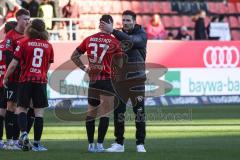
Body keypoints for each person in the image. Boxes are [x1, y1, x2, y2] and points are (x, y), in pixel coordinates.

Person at [71, 14, 122, 152]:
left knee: (91, 113)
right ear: (110, 23)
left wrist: (84, 68)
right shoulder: (114, 42)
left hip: (93, 80)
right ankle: (100, 144)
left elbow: (74, 56)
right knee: (105, 114)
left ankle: (90, 145)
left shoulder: (89, 39)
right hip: (107, 80)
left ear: (100, 24)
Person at [3, 19, 54, 151]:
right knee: (39, 113)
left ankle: (23, 134)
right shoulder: (48, 46)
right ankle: (37, 144)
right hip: (41, 81)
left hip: (25, 80)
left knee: (21, 109)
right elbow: (48, 65)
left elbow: (14, 64)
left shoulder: (23, 43)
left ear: (30, 29)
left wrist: (6, 77)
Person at [100, 10, 147, 152]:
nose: (125, 23)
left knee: (139, 111)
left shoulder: (141, 35)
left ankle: (140, 143)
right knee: (119, 112)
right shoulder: (118, 35)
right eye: (124, 20)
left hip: (136, 79)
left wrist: (113, 30)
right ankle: (119, 143)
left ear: (134, 21)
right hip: (120, 80)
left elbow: (131, 41)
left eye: (128, 20)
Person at [3, 8, 30, 150]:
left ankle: (20, 140)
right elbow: (8, 58)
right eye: (25, 19)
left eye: (28, 19)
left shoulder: (29, 35)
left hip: (26, 79)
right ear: (18, 19)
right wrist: (12, 73)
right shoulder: (10, 36)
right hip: (14, 78)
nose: (27, 21)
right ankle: (10, 142)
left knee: (25, 108)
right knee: (11, 107)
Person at [0, 21, 17, 149]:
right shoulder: (14, 49)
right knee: (12, 111)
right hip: (8, 82)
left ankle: (1, 141)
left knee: (1, 113)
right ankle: (12, 141)